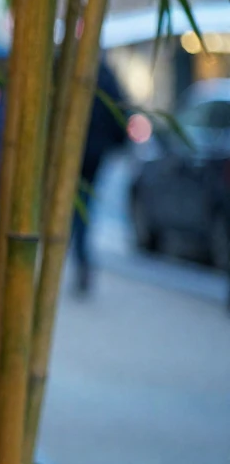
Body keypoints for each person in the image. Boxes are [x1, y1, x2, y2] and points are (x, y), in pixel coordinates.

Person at [72, 58, 129, 295]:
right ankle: (81, 254)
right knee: (83, 202)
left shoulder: (71, 68)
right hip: (95, 152)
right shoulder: (106, 74)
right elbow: (120, 111)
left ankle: (81, 254)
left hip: (75, 150)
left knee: (78, 205)